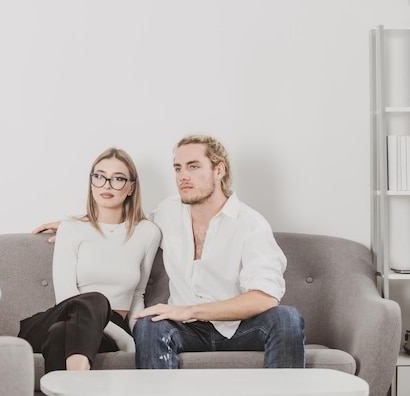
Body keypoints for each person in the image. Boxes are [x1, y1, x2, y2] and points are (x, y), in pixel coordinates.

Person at [33, 134, 306, 369]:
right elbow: (124, 225)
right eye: (177, 168)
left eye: (193, 166)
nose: (183, 176)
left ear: (219, 170)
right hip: (186, 331)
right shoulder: (168, 213)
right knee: (150, 323)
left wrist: (190, 310)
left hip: (239, 328)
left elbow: (265, 298)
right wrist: (78, 227)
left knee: (287, 318)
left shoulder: (251, 225)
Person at [19, 147, 161, 373]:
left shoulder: (147, 233)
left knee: (60, 334)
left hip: (88, 331)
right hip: (58, 317)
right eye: (100, 176)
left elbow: (137, 295)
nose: (106, 184)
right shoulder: (71, 230)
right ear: (91, 182)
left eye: (118, 179)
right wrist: (125, 340)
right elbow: (65, 298)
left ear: (131, 187)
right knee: (94, 301)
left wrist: (138, 336)